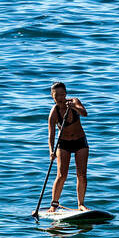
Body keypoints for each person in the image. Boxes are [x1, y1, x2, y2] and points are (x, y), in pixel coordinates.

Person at [47, 82, 89, 212]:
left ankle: (81, 204)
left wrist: (74, 108)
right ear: (52, 96)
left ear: (66, 94)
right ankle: (54, 205)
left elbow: (84, 113)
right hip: (63, 144)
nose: (60, 97)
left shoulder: (74, 101)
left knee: (81, 174)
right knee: (61, 175)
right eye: (56, 95)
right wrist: (51, 151)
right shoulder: (54, 112)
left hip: (80, 142)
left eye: (62, 94)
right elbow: (51, 134)